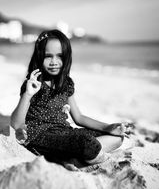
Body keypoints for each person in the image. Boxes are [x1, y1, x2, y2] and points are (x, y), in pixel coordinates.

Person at [10, 29, 131, 166]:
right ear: (39, 56)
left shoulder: (66, 83)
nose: (54, 62)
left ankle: (78, 157)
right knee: (86, 143)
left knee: (117, 138)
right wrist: (27, 94)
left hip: (65, 133)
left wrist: (108, 127)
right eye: (48, 56)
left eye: (60, 56)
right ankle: (94, 156)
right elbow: (16, 124)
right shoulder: (33, 84)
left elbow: (79, 118)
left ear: (66, 57)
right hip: (40, 137)